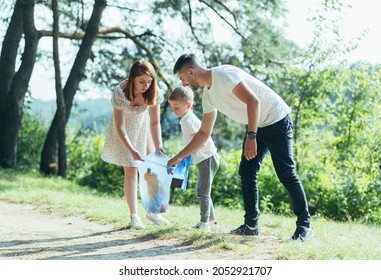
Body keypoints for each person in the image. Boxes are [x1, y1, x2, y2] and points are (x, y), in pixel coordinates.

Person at [167, 53, 313, 241]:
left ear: (191, 71)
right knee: (247, 172)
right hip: (256, 125)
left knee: (286, 173)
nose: (184, 83)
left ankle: (304, 226)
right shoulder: (208, 97)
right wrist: (178, 157)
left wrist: (251, 136)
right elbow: (203, 134)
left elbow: (253, 102)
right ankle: (251, 225)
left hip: (276, 119)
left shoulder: (224, 74)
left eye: (183, 78)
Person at [101, 60, 169, 229]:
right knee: (131, 171)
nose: (146, 85)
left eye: (149, 81)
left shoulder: (154, 92)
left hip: (143, 127)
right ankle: (134, 216)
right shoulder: (121, 92)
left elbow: (155, 122)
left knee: (152, 167)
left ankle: (154, 211)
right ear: (132, 79)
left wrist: (158, 144)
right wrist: (132, 150)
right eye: (142, 81)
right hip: (124, 132)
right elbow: (120, 127)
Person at [168, 86, 219, 231]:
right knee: (204, 190)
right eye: (172, 107)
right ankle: (211, 221)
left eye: (176, 107)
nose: (174, 110)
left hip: (206, 158)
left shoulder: (188, 120)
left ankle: (204, 224)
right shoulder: (186, 118)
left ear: (188, 105)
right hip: (207, 158)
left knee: (202, 191)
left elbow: (195, 143)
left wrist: (178, 157)